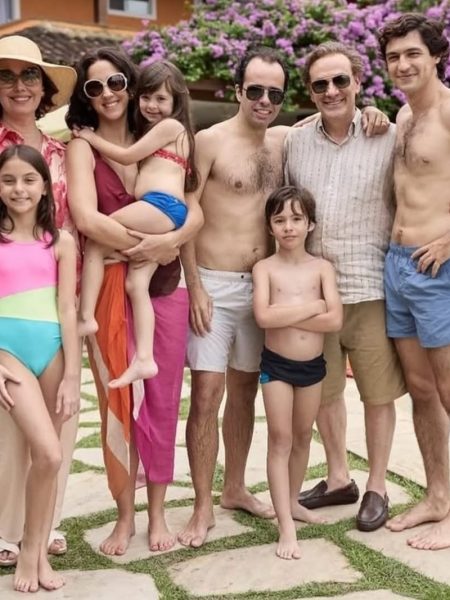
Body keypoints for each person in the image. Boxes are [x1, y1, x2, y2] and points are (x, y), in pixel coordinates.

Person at [179, 44, 390, 548]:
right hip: (215, 284)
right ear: (237, 91)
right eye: (255, 90)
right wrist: (195, 287)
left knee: (246, 392)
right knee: (207, 395)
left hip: (263, 289)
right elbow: (188, 214)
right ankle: (202, 507)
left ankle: (235, 489)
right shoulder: (209, 141)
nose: (265, 101)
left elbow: (334, 115)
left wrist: (370, 111)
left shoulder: (285, 141)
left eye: (275, 93)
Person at [66, 47, 203, 555]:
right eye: (94, 87)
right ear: (85, 97)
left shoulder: (157, 137)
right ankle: (125, 515)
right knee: (117, 406)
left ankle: (159, 514)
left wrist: (172, 242)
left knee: (163, 400)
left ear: (131, 85)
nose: (107, 94)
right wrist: (149, 244)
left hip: (163, 285)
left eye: (116, 83)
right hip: (111, 287)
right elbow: (86, 219)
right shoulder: (84, 147)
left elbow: (194, 210)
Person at [285, 41, 406, 532]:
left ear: (358, 82)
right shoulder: (295, 142)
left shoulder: (389, 136)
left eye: (340, 80)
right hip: (314, 293)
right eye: (320, 83)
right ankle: (339, 478)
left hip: (371, 285)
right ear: (310, 91)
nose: (331, 90)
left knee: (378, 393)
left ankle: (376, 486)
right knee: (325, 392)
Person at [0, 34, 78, 568]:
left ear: (44, 85)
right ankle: (7, 529)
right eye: (6, 76)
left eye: (29, 75)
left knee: (60, 422)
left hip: (58, 294)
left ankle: (45, 523)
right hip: (8, 299)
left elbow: (80, 220)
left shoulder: (63, 152)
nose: (19, 85)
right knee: (10, 427)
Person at [75, 60, 198, 389]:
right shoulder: (159, 132)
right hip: (165, 211)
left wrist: (88, 136)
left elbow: (127, 156)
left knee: (97, 242)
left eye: (161, 99)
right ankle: (144, 358)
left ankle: (85, 317)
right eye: (146, 97)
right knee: (136, 285)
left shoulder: (170, 127)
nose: (152, 105)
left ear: (176, 102)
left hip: (161, 206)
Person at [378, 13, 450, 550]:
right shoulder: (402, 117)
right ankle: (438, 495)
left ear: (436, 56)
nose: (402, 64)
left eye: (412, 54)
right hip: (398, 266)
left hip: (438, 268)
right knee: (421, 391)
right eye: (393, 57)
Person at [253, 185, 342, 559]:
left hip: (313, 368)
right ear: (270, 227)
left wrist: (287, 315)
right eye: (279, 220)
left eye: (296, 219)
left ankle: (292, 501)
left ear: (310, 224)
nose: (288, 227)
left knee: (304, 436)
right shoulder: (264, 269)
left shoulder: (321, 268)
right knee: (281, 438)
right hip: (276, 366)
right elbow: (263, 317)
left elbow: (334, 321)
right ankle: (285, 527)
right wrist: (313, 307)